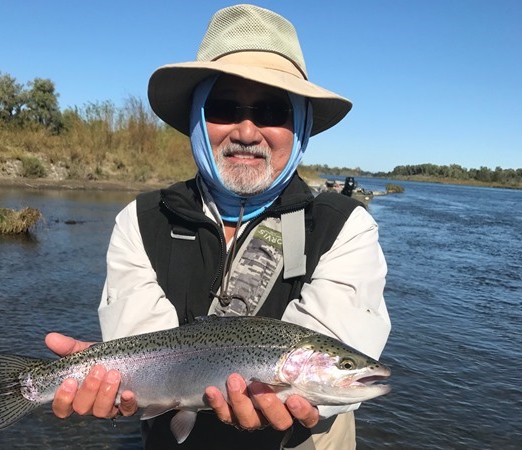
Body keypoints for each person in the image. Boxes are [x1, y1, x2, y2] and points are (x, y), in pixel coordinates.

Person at [45, 4, 391, 449]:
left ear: (301, 125)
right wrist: (105, 380)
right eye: (224, 107)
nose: (247, 130)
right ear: (196, 117)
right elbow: (140, 354)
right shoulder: (142, 220)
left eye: (272, 110)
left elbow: (327, 367)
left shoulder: (345, 227)